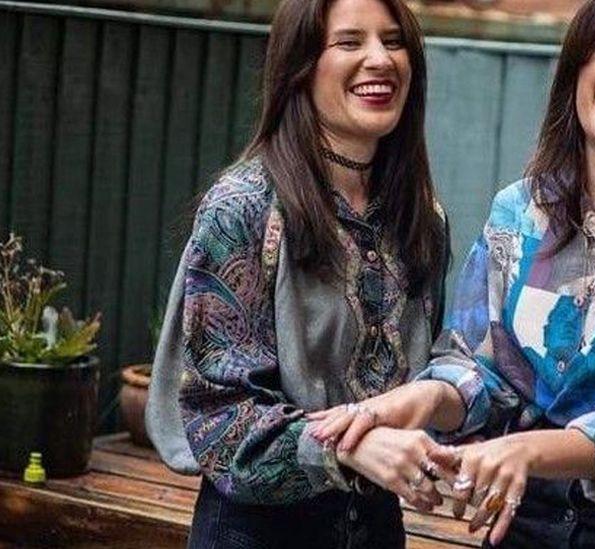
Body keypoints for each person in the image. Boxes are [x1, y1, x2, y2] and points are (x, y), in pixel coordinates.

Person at [310, 0, 595, 547]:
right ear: (576, 67)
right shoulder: (520, 209)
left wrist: (526, 450)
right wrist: (420, 400)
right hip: (521, 520)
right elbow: (477, 365)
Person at [144, 0, 453, 546]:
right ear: (300, 66)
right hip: (257, 530)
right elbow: (216, 420)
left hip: (377, 528)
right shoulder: (243, 207)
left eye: (394, 40)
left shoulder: (421, 217)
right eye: (350, 42)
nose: (380, 60)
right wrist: (348, 447)